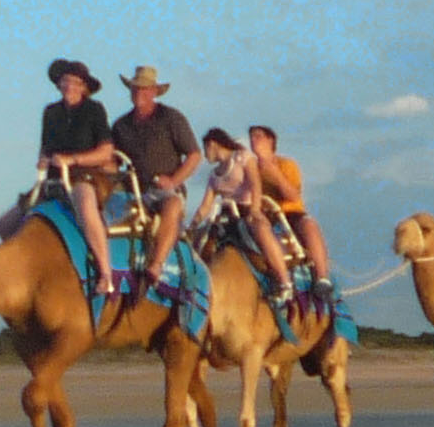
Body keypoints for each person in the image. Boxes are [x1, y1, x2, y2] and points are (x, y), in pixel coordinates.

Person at [112, 67, 202, 286]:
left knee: (172, 204)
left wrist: (173, 180)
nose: (139, 93)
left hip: (164, 190)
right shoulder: (121, 125)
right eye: (135, 88)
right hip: (131, 190)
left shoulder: (171, 117)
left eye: (144, 89)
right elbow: (113, 161)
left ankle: (157, 263)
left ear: (154, 91)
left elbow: (194, 155)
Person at [36, 60, 122, 290]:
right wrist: (43, 159)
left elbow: (106, 152)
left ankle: (105, 273)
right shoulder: (50, 113)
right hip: (54, 180)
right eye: (65, 81)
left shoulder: (94, 110)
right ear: (58, 84)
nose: (69, 86)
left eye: (75, 82)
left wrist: (73, 160)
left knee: (84, 204)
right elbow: (45, 149)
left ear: (84, 87)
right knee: (7, 221)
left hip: (87, 176)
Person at [199, 129, 288, 293]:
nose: (205, 156)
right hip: (225, 217)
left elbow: (255, 184)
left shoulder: (243, 158)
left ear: (212, 144)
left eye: (205, 149)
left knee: (261, 230)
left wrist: (255, 210)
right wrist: (192, 226)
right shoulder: (214, 175)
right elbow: (206, 205)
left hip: (246, 210)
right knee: (199, 244)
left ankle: (284, 281)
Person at [246, 125, 330, 283]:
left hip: (290, 213)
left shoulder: (286, 164)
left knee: (309, 225)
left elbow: (293, 196)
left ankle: (322, 277)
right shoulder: (250, 169)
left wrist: (274, 173)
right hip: (263, 217)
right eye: (251, 137)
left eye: (258, 136)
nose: (253, 140)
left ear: (270, 140)